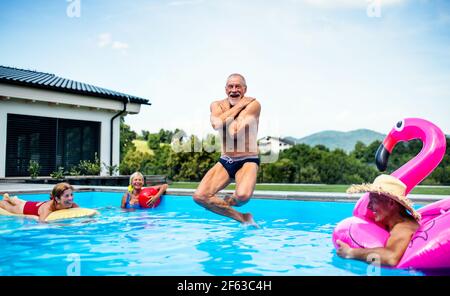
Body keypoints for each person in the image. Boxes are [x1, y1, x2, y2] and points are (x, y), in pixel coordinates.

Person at [193, 73, 261, 225]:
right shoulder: (217, 104)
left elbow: (234, 132)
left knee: (242, 196)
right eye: (231, 86)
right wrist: (240, 105)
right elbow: (216, 124)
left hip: (247, 158)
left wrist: (224, 116)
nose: (234, 90)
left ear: (245, 89)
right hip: (226, 159)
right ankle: (243, 218)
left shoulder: (254, 105)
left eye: (238, 86)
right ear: (225, 89)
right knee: (200, 197)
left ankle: (228, 201)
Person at [336, 174, 421, 266]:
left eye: (373, 201)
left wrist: (350, 252)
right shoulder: (396, 224)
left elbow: (391, 258)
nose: (368, 206)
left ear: (391, 203)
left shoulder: (403, 228)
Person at [0, 182, 79, 222]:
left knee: (17, 201)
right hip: (25, 208)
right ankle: (8, 200)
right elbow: (42, 223)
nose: (70, 198)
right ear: (57, 199)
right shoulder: (47, 208)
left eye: (71, 195)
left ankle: (13, 199)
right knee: (5, 205)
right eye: (67, 196)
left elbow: (85, 214)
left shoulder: (72, 204)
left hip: (36, 204)